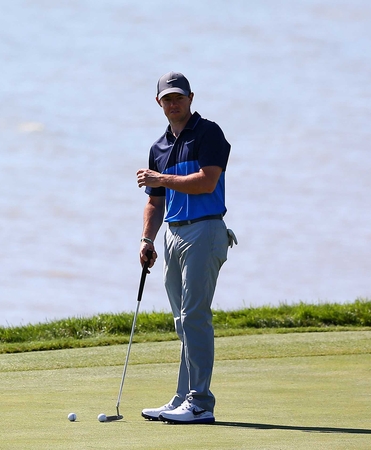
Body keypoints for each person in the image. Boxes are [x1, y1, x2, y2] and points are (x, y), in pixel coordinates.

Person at [136, 71, 236, 424]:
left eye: (179, 97)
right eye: (168, 99)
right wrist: (147, 239)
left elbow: (207, 183)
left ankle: (200, 402)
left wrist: (160, 178)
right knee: (183, 322)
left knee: (195, 317)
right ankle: (183, 398)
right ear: (159, 103)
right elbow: (155, 201)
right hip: (172, 235)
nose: (174, 104)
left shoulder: (208, 132)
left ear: (191, 98)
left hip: (205, 230)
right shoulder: (159, 147)